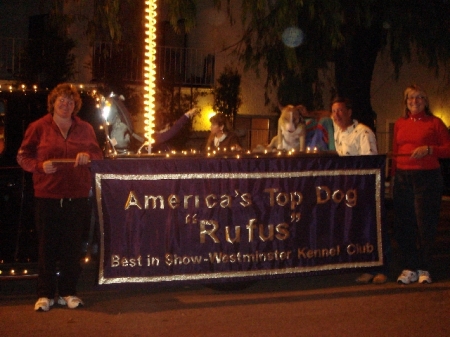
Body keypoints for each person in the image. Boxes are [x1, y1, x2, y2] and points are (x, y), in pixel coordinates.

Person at [17, 83, 103, 312]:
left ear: (76, 105)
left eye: (70, 102)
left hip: (76, 195)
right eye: (61, 101)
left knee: (72, 248)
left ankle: (68, 292)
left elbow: (98, 154)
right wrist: (39, 166)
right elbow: (23, 156)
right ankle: (45, 295)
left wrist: (88, 156)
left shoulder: (85, 128)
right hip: (47, 195)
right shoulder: (38, 127)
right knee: (47, 246)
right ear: (53, 103)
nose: (66, 105)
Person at [392, 84, 450, 285]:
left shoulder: (435, 123)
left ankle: (425, 267)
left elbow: (447, 149)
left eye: (418, 98)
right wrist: (393, 178)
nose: (414, 101)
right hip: (402, 177)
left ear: (425, 101)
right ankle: (410, 266)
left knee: (425, 224)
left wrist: (429, 149)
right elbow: (395, 151)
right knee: (404, 223)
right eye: (410, 98)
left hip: (427, 177)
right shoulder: (400, 123)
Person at [331, 96, 388, 284]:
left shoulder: (363, 132)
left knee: (373, 227)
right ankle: (366, 267)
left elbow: (370, 163)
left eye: (340, 110)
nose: (336, 115)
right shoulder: (338, 132)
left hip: (364, 187)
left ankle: (381, 269)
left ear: (349, 112)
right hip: (347, 189)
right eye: (334, 111)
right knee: (358, 228)